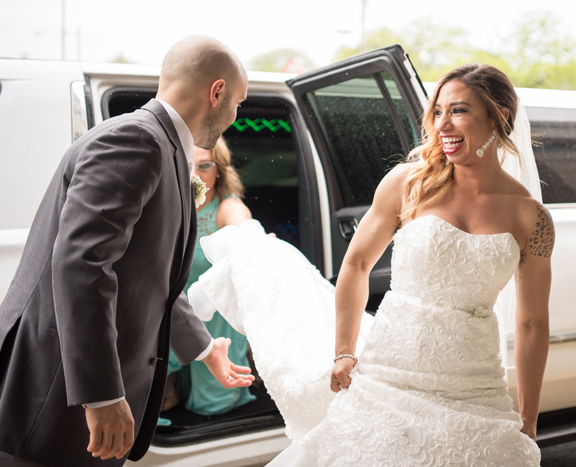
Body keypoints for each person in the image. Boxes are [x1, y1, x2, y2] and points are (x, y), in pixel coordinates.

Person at [189, 63, 552, 466]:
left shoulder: (531, 219)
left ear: (498, 117)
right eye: (438, 111)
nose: (443, 124)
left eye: (459, 110)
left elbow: (532, 322)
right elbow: (358, 265)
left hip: (475, 388)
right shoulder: (407, 183)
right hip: (390, 375)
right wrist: (344, 351)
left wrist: (528, 416)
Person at [0, 36, 255, 467]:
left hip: (71, 400)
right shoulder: (137, 141)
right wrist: (101, 394)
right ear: (216, 92)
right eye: (238, 103)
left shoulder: (167, 149)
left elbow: (149, 276)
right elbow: (82, 265)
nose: (235, 116)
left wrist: (203, 347)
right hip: (53, 396)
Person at [159, 137, 256, 421]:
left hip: (214, 317)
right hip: (167, 314)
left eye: (204, 165)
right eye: (185, 165)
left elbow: (243, 226)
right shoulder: (163, 204)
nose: (193, 175)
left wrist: (252, 236)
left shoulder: (226, 207)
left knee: (215, 405)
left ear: (219, 170)